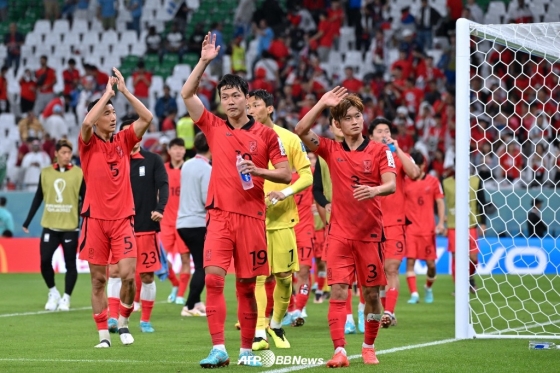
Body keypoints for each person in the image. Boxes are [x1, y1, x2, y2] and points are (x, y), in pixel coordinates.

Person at [180, 32, 291, 368]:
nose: (229, 101)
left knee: (245, 286)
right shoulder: (212, 126)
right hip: (219, 217)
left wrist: (257, 171)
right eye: (224, 96)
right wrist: (204, 62)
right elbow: (186, 93)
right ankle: (219, 349)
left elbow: (286, 175)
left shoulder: (267, 135)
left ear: (247, 98)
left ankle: (245, 351)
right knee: (213, 278)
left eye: (235, 95)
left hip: (253, 218)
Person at [295, 87, 397, 367]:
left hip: (370, 235)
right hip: (339, 234)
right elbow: (300, 129)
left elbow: (391, 184)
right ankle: (339, 350)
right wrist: (322, 103)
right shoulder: (330, 149)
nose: (356, 121)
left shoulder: (379, 151)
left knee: (372, 295)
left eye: (358, 116)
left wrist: (374, 191)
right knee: (338, 291)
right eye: (349, 118)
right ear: (337, 125)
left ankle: (368, 346)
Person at [77, 67, 153, 348]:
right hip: (95, 220)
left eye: (113, 112)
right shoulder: (87, 144)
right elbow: (85, 124)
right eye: (107, 113)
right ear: (97, 119)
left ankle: (123, 323)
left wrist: (124, 92)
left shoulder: (124, 140)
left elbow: (147, 117)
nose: (113, 117)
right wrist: (106, 94)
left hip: (123, 220)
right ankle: (103, 336)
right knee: (98, 280)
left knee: (128, 276)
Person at [246, 89, 312, 350]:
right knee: (259, 277)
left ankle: (276, 324)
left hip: (283, 219)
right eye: (248, 105)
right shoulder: (241, 138)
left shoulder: (290, 138)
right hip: (253, 219)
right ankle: (260, 330)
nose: (250, 109)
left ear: (269, 108)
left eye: (256, 105)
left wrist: (285, 193)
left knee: (284, 277)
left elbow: (306, 176)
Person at [107, 119, 168, 333]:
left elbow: (163, 185)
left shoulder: (152, 160)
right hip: (118, 227)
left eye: (133, 132)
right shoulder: (113, 160)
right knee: (114, 272)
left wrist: (160, 208)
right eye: (125, 133)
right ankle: (113, 318)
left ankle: (145, 320)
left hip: (146, 226)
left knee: (147, 276)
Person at [368, 117, 420, 328]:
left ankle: (389, 312)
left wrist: (397, 150)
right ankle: (381, 311)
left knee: (391, 267)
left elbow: (415, 173)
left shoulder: (398, 157)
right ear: (371, 136)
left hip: (395, 223)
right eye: (379, 131)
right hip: (371, 222)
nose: (383, 134)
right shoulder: (366, 156)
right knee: (376, 273)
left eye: (386, 130)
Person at [22, 140, 85, 311]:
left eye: (69, 153)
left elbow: (85, 199)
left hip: (70, 227)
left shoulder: (79, 173)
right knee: (44, 261)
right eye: (63, 152)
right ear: (56, 153)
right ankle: (53, 292)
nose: (66, 156)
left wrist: (86, 221)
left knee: (70, 263)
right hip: (50, 226)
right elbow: (38, 198)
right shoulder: (46, 173)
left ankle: (66, 298)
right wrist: (27, 221)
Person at [403, 151, 445, 304]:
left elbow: (440, 202)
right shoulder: (405, 181)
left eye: (416, 166)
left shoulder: (433, 181)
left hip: (428, 230)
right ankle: (414, 294)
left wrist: (441, 222)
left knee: (431, 265)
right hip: (410, 229)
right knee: (410, 261)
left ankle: (428, 287)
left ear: (423, 166)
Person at [177, 132, 211, 316]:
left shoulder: (187, 165)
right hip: (198, 222)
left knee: (197, 263)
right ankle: (189, 306)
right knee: (202, 266)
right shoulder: (207, 169)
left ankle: (196, 302)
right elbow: (207, 198)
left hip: (182, 221)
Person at [443, 170, 487, 292]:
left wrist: (483, 223)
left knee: (473, 258)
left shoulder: (475, 181)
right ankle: (459, 287)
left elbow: (481, 202)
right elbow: (437, 201)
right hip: (454, 226)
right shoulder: (446, 182)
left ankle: (470, 278)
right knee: (455, 257)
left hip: (470, 225)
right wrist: (442, 218)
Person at [160, 138, 190, 305]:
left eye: (181, 148)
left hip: (185, 222)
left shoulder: (189, 170)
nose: (178, 151)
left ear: (184, 151)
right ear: (169, 151)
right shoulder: (162, 170)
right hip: (165, 222)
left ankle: (180, 294)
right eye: (175, 148)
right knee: (161, 260)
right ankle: (175, 283)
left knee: (186, 259)